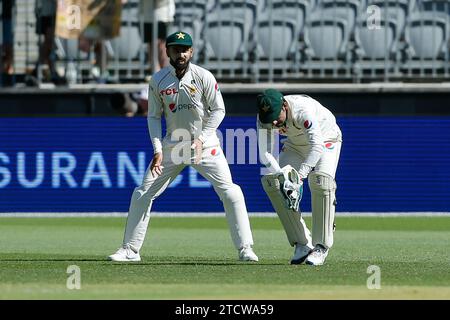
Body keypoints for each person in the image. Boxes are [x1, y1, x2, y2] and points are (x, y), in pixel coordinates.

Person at [108, 31, 258, 263]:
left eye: (185, 49)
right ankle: (130, 249)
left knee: (231, 192)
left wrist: (202, 138)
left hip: (206, 146)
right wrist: (157, 149)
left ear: (192, 52)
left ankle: (245, 249)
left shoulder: (203, 76)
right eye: (176, 49)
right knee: (142, 193)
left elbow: (219, 110)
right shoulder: (158, 80)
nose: (181, 53)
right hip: (172, 147)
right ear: (167, 51)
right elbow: (153, 117)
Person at [256, 89, 342, 266]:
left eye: (275, 116)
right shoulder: (264, 118)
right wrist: (284, 178)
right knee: (274, 182)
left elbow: (316, 147)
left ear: (285, 106)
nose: (273, 123)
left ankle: (321, 246)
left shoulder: (303, 111)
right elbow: (265, 153)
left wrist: (299, 178)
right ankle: (302, 243)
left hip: (326, 140)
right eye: (268, 118)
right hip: (295, 146)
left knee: (321, 181)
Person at [139, 0, 175, 73]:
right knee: (151, 45)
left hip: (163, 15)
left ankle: (166, 73)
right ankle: (156, 73)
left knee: (161, 45)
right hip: (146, 15)